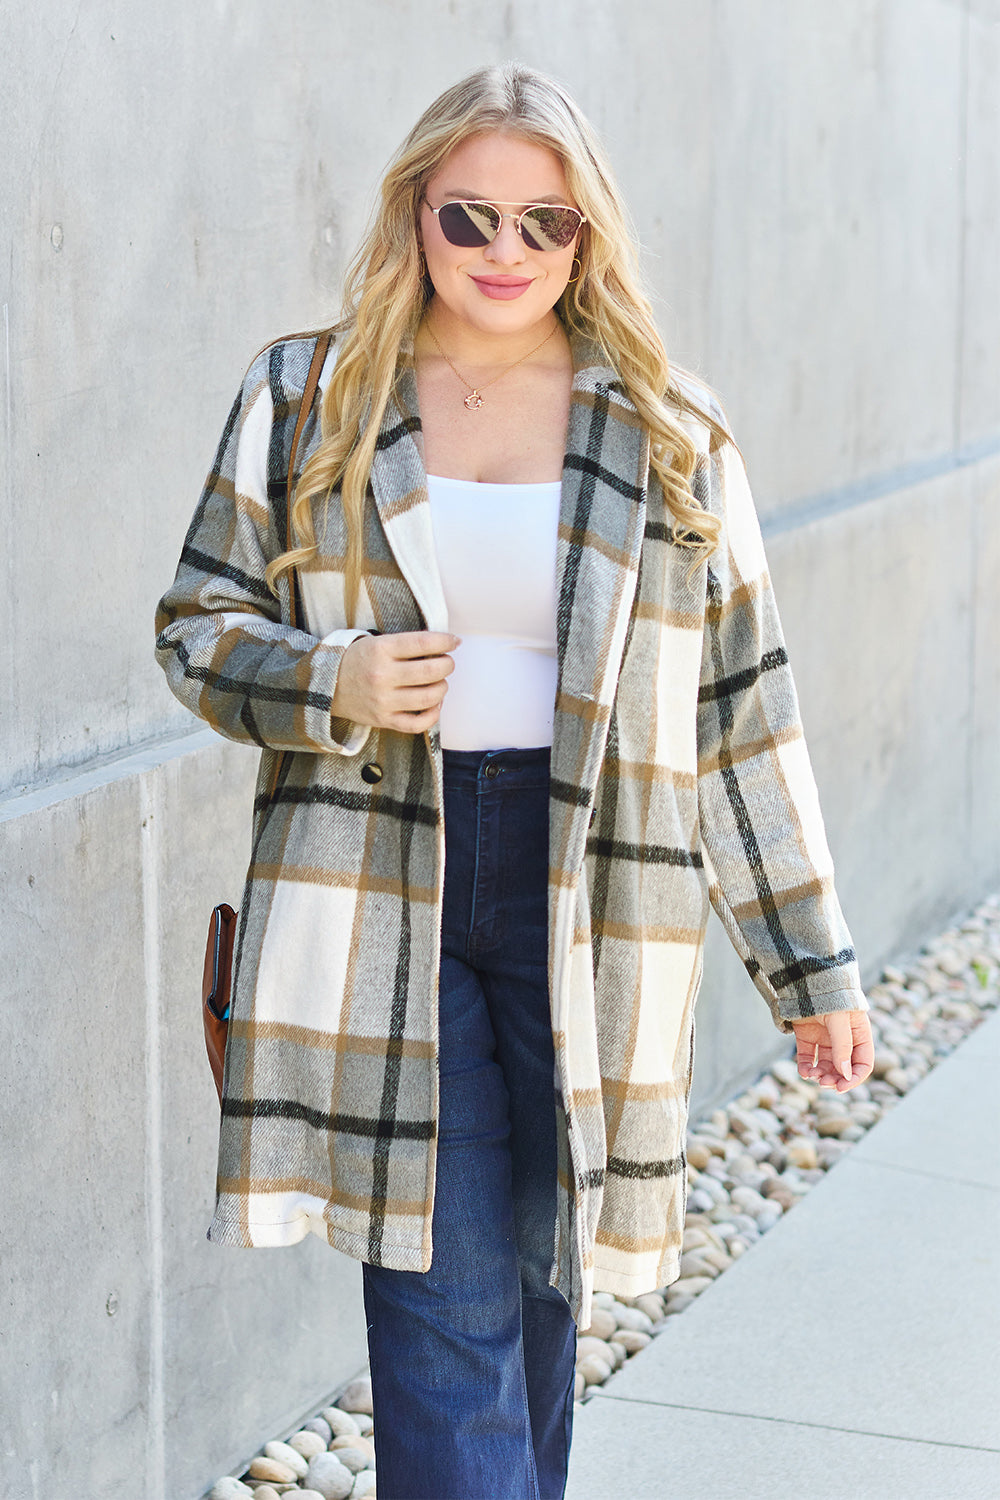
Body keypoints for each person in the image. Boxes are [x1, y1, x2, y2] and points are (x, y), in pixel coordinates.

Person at [155, 62, 874, 1500]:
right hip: (382, 883)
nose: (504, 255)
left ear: (589, 236)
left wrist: (816, 974)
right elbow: (194, 627)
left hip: (594, 892)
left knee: (542, 1287)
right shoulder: (311, 397)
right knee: (445, 1289)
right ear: (415, 213)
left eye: (543, 226)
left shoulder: (670, 433)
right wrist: (332, 681)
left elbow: (740, 714)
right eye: (470, 219)